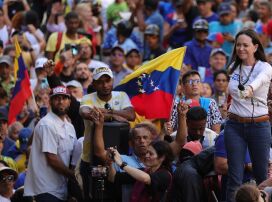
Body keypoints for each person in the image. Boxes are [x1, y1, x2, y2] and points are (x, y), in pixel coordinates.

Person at [224, 29, 272, 202]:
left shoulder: (265, 67)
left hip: (259, 126)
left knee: (262, 176)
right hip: (235, 125)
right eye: (238, 45)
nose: (241, 48)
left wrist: (251, 89)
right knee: (234, 177)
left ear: (255, 47)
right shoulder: (233, 67)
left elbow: (259, 80)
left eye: (245, 45)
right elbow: (233, 93)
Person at [79, 66, 135, 199]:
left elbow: (131, 115)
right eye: (100, 82)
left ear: (113, 81)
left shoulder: (121, 96)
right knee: (95, 195)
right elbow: (86, 113)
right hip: (93, 158)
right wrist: (115, 116)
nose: (105, 85)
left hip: (119, 159)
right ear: (94, 84)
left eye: (108, 80)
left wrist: (108, 112)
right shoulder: (87, 98)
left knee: (116, 195)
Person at [24, 86, 77, 201]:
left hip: (61, 188)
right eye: (57, 98)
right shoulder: (47, 124)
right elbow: (52, 159)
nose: (61, 101)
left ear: (70, 102)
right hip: (46, 189)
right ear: (50, 101)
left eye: (64, 98)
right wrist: (74, 175)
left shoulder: (70, 126)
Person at [108, 141, 174, 202]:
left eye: (150, 154)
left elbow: (146, 179)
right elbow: (113, 178)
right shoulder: (144, 171)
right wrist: (111, 162)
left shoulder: (165, 175)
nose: (146, 156)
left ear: (162, 157)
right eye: (147, 152)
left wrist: (122, 164)